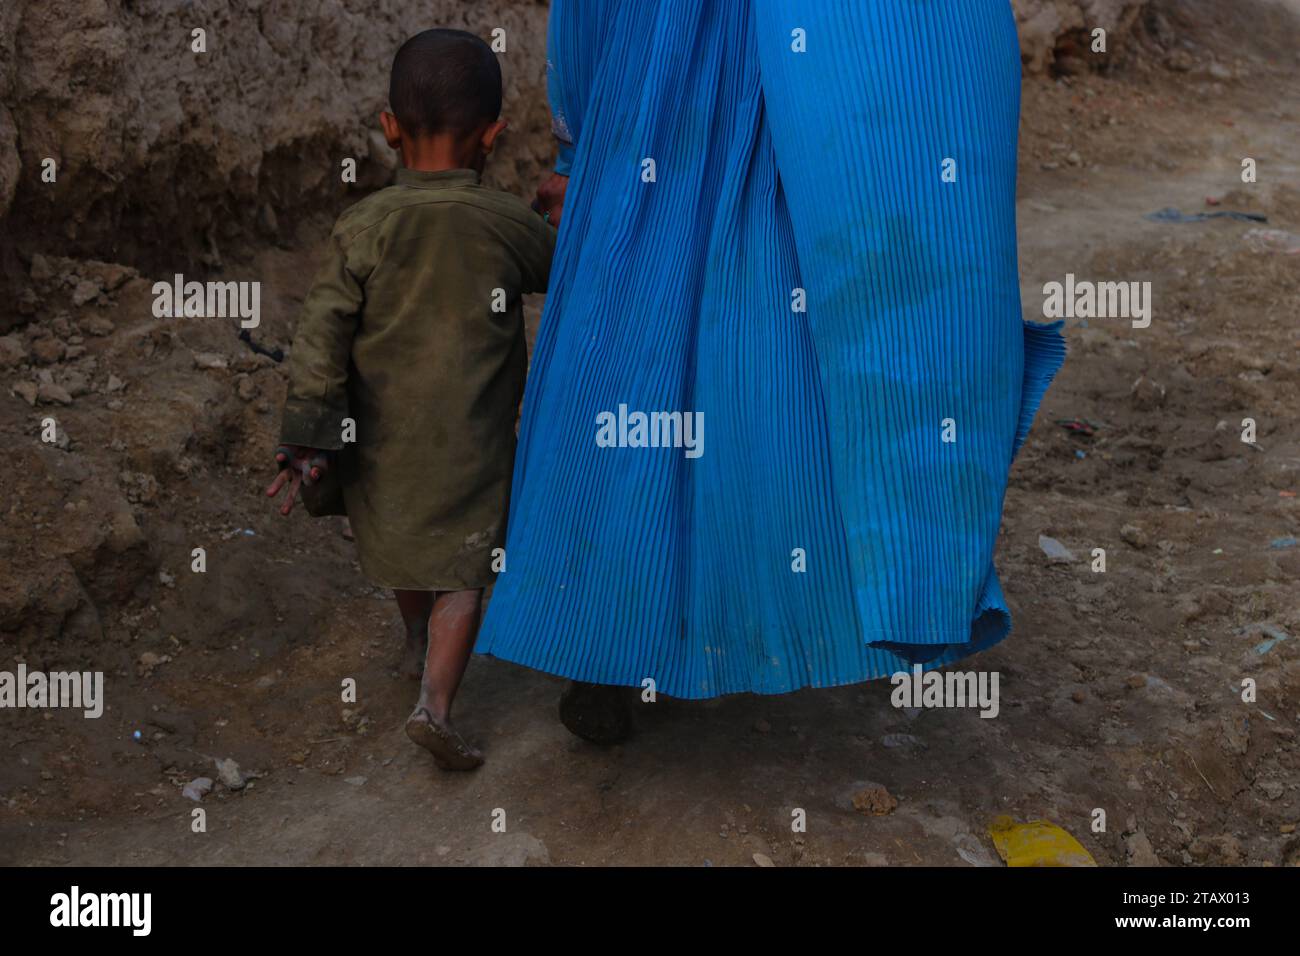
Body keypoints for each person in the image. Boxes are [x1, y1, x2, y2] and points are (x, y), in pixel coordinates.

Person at [480, 0, 1065, 740]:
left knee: (632, 362)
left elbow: (584, 17)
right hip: (806, 95)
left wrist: (576, 141)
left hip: (652, 104)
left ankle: (604, 649)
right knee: (785, 364)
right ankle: (844, 603)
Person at [266, 28, 555, 770]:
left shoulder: (362, 227)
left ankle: (412, 641)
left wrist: (306, 435)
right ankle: (436, 705)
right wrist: (568, 210)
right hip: (472, 448)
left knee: (402, 550)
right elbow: (564, 267)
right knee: (464, 573)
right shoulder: (503, 224)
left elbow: (319, 334)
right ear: (491, 137)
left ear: (389, 129)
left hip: (382, 443)